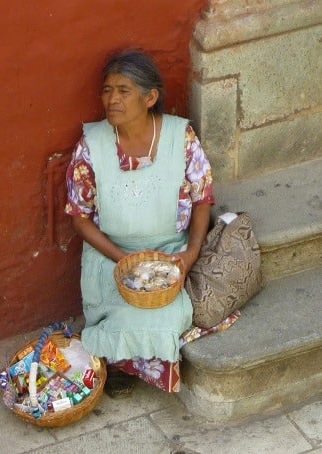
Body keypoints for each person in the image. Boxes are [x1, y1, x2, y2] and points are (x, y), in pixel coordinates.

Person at [65, 50, 225, 396]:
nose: (112, 99)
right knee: (119, 317)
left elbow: (202, 198)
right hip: (110, 258)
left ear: (150, 97)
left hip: (168, 256)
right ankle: (121, 362)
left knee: (164, 315)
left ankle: (131, 362)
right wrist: (122, 259)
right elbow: (79, 217)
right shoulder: (91, 147)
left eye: (124, 90)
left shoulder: (179, 137)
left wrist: (191, 254)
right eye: (107, 90)